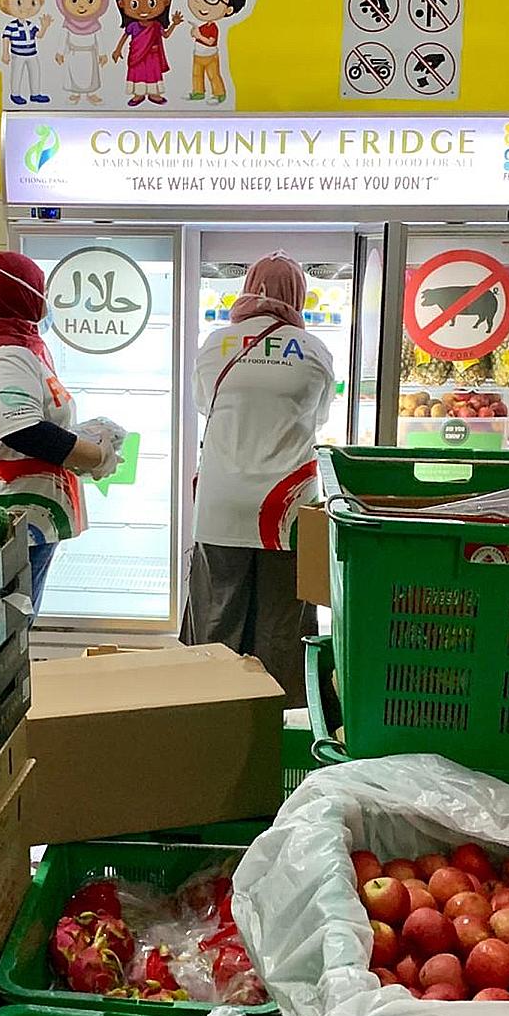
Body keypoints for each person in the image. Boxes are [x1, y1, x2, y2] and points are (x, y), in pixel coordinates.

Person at [182, 252, 334, 707]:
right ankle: (278, 722)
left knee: (215, 617)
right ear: (298, 296)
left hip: (221, 502)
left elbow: (206, 405)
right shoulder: (314, 351)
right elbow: (318, 416)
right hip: (286, 507)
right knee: (282, 626)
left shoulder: (216, 344)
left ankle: (210, 717)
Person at [0, 252, 120, 616]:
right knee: (10, 627)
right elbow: (23, 430)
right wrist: (96, 457)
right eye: (41, 290)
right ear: (21, 294)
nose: (46, 300)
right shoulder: (4, 353)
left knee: (15, 621)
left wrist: (84, 436)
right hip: (9, 513)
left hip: (24, 514)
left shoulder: (15, 346)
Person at [112, 0, 183, 106]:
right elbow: (124, 37)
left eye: (151, 2)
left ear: (166, 1)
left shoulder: (156, 25)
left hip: (153, 56)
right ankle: (138, 94)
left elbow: (166, 35)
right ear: (121, 3)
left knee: (152, 74)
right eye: (134, 3)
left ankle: (153, 94)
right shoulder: (133, 25)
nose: (143, 9)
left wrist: (175, 24)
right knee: (137, 74)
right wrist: (118, 49)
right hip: (136, 56)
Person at [54, 0, 109, 105]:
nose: (82, 5)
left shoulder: (95, 25)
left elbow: (100, 41)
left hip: (89, 54)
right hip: (73, 54)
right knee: (74, 75)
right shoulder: (67, 25)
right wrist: (60, 52)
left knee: (90, 76)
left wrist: (102, 54)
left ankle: (91, 93)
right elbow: (63, 39)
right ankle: (75, 93)